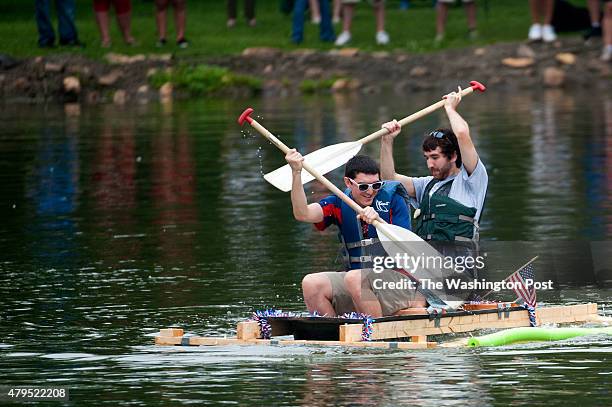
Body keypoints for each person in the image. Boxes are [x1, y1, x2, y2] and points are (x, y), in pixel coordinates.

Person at [285, 153, 416, 317]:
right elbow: (302, 214)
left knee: (355, 279)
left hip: (398, 284)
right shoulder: (339, 202)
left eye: (376, 185)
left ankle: (375, 334)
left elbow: (407, 246)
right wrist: (296, 173)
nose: (370, 192)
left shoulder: (395, 200)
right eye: (363, 187)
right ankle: (333, 335)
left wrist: (379, 221)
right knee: (311, 283)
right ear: (348, 182)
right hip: (357, 282)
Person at [379, 87, 488, 244]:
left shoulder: (472, 179)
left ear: (453, 156)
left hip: (460, 264)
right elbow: (388, 179)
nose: (429, 164)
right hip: (427, 262)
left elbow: (462, 134)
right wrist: (387, 141)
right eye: (427, 158)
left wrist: (450, 109)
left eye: (435, 157)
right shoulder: (426, 185)